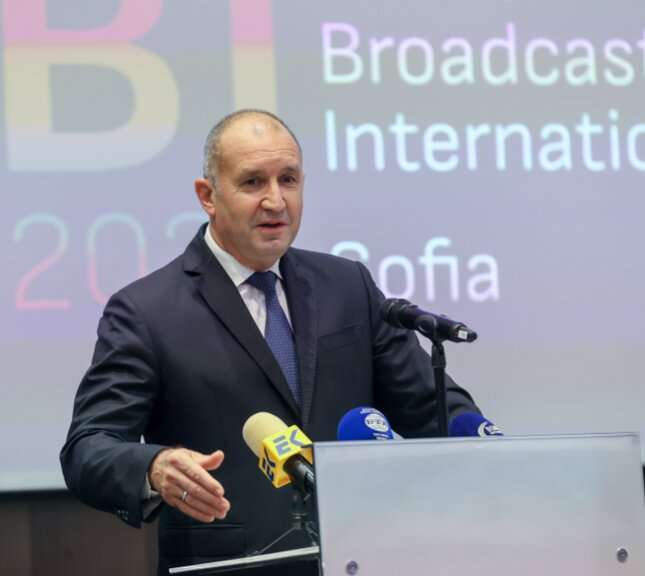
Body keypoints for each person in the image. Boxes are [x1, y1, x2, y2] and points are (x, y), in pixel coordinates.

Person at [60, 109, 481, 573]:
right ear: (208, 195)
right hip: (235, 566)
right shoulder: (147, 310)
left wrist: (490, 447)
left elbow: (430, 409)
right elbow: (87, 449)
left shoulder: (347, 286)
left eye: (289, 180)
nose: (276, 201)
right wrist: (154, 466)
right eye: (253, 182)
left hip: (359, 559)